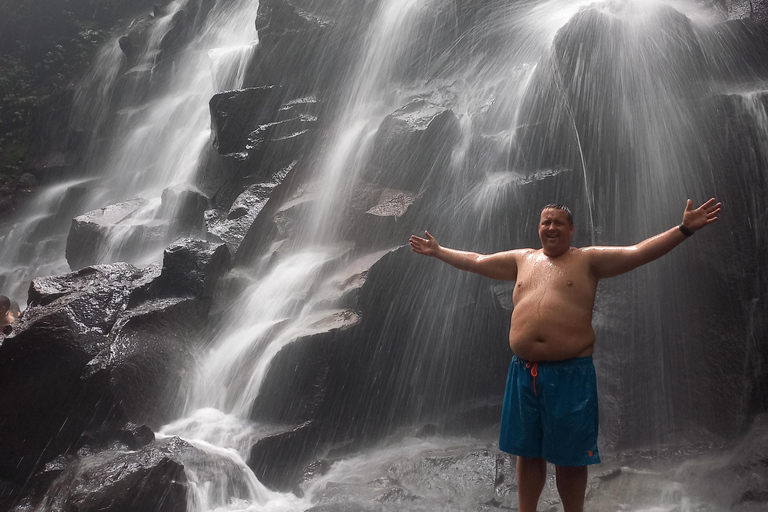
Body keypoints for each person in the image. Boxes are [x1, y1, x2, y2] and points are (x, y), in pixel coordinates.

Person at [408, 198, 722, 512]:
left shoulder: (588, 260)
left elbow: (638, 252)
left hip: (570, 374)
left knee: (570, 457)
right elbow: (477, 260)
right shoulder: (522, 258)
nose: (551, 227)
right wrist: (439, 251)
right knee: (527, 452)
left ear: (571, 229)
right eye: (546, 222)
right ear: (538, 228)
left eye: (558, 222)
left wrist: (683, 229)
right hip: (523, 372)